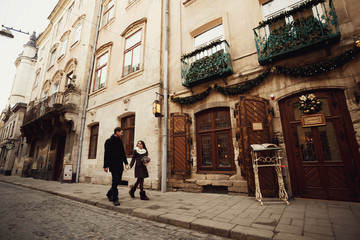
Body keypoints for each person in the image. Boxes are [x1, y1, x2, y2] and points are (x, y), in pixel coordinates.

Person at [103, 127, 129, 206]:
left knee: (118, 180)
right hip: (112, 164)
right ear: (116, 132)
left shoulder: (120, 141)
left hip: (119, 164)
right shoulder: (108, 141)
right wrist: (105, 166)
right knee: (115, 179)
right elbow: (106, 154)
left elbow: (122, 153)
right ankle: (115, 199)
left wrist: (126, 163)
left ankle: (109, 193)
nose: (122, 133)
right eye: (121, 132)